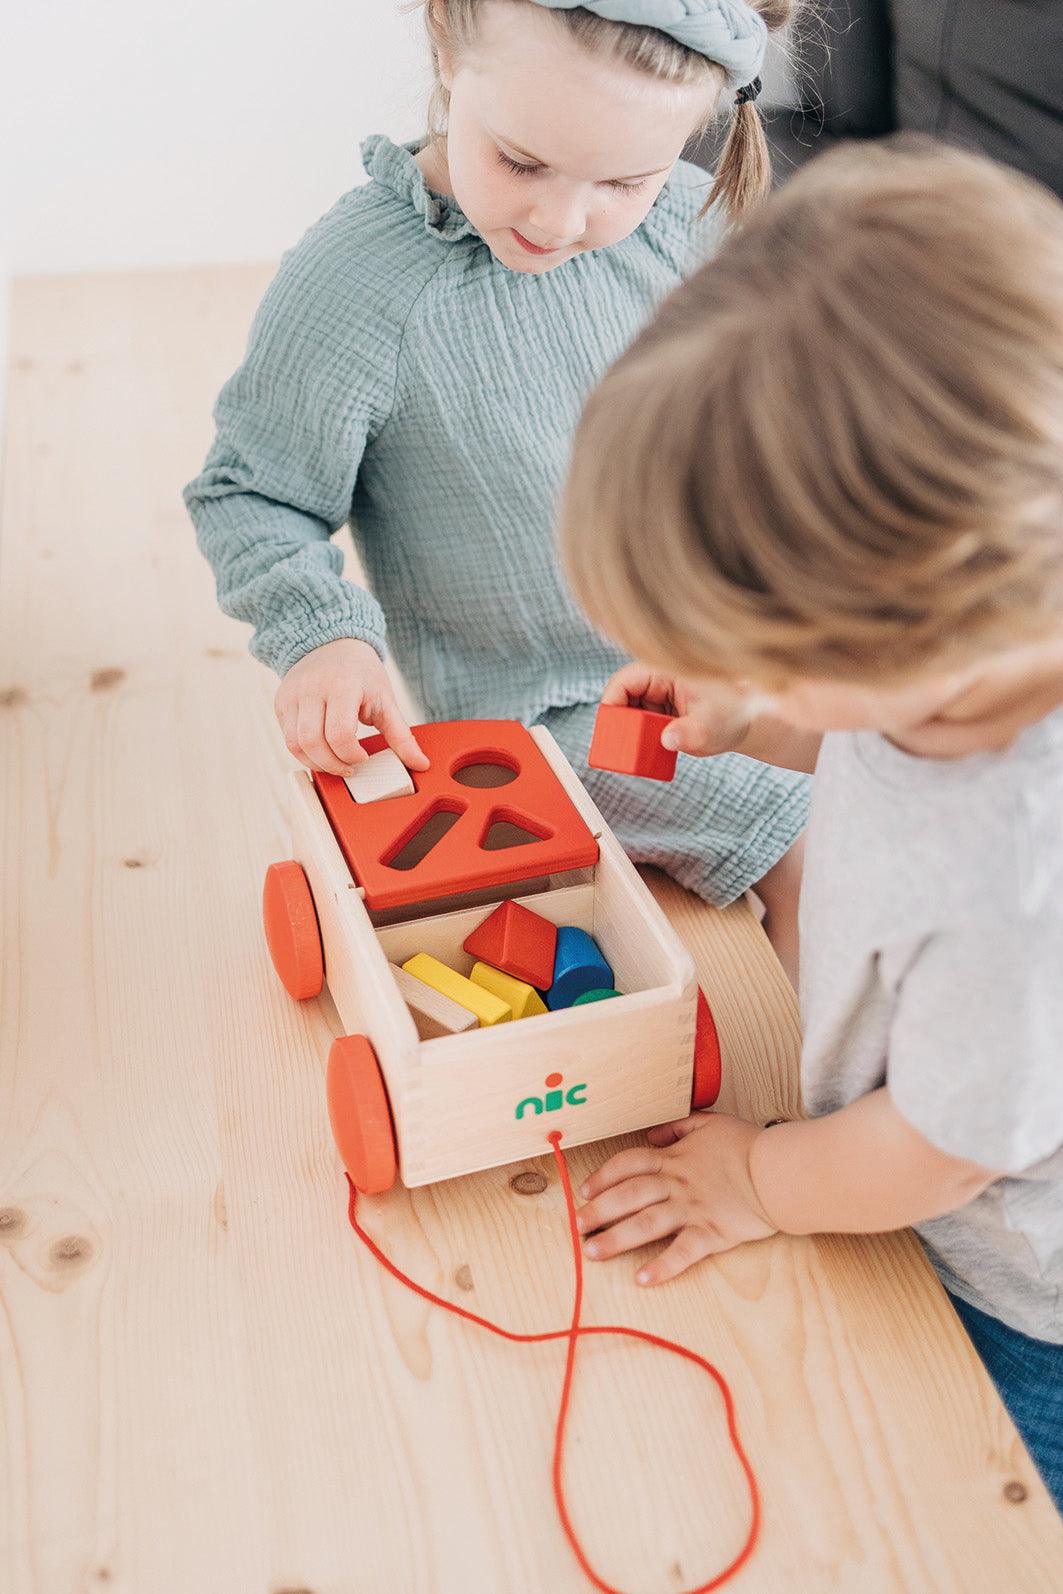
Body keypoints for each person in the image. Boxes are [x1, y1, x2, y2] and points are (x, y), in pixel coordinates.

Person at [560, 138, 1063, 1510]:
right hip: (905, 1144)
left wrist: (757, 1183)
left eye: (766, 655)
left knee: (962, 1501)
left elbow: (941, 1144)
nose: (741, 678)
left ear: (925, 630)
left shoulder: (1017, 873)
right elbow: (867, 729)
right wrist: (758, 713)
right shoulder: (958, 665)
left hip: (1012, 1282)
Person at [183, 0, 808, 976]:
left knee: (936, 753)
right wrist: (328, 640)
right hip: (562, 716)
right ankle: (854, 1104)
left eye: (622, 179)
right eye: (520, 161)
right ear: (446, 42)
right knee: (818, 828)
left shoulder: (691, 225)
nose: (559, 220)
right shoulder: (357, 288)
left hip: (735, 647)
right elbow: (251, 493)